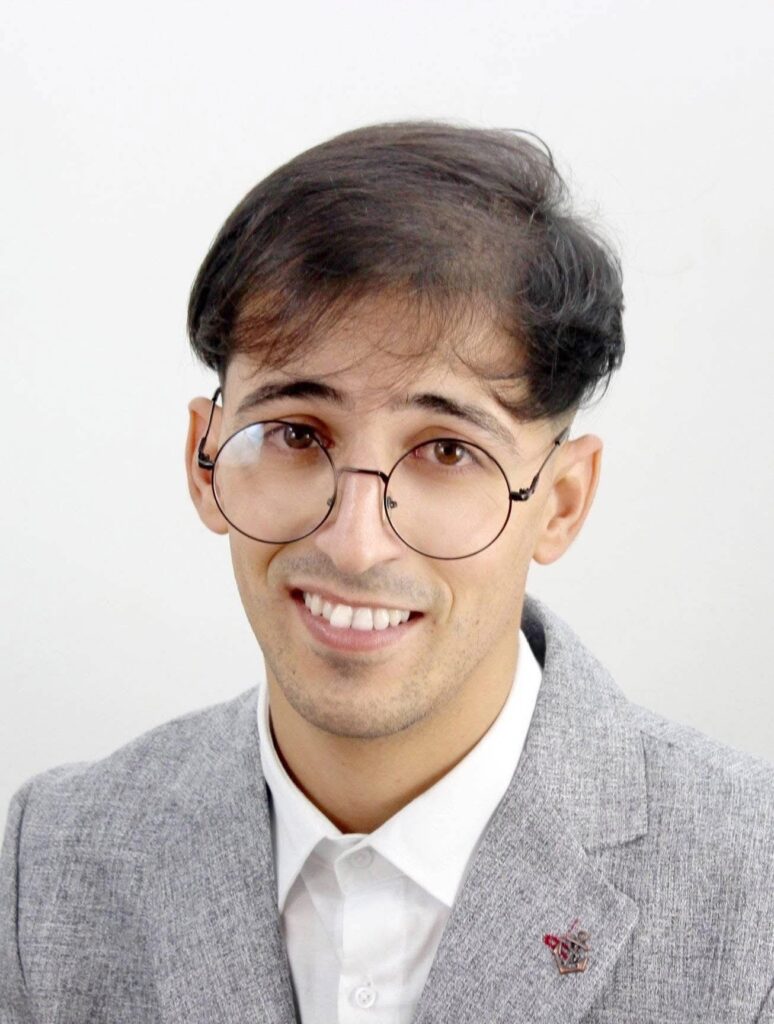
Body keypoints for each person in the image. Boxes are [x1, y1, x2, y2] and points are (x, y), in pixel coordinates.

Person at [2, 121, 773, 1024]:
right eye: (296, 433)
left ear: (562, 502)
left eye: (447, 451)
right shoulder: (48, 864)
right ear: (204, 462)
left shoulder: (750, 886)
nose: (356, 544)